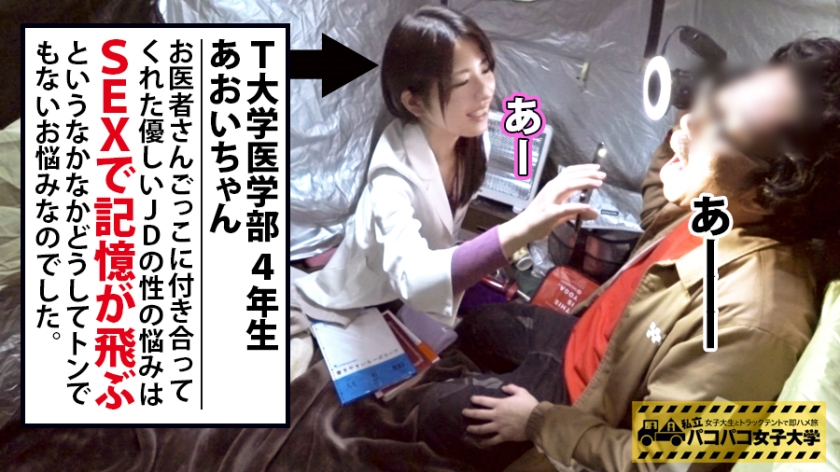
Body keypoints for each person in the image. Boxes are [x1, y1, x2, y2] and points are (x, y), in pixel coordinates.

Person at [415, 37, 840, 472]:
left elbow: (658, 463)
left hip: (583, 407)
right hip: (589, 344)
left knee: (435, 413)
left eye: (723, 125)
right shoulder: (724, 206)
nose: (690, 122)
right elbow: (660, 205)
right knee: (478, 324)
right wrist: (687, 117)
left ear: (772, 191)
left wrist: (538, 422)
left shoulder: (752, 322)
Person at [293, 6, 605, 328]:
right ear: (415, 102)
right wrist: (521, 227)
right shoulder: (391, 177)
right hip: (372, 293)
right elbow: (413, 278)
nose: (485, 91)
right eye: (462, 82)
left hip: (429, 282)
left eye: (486, 69)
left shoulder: (472, 140)